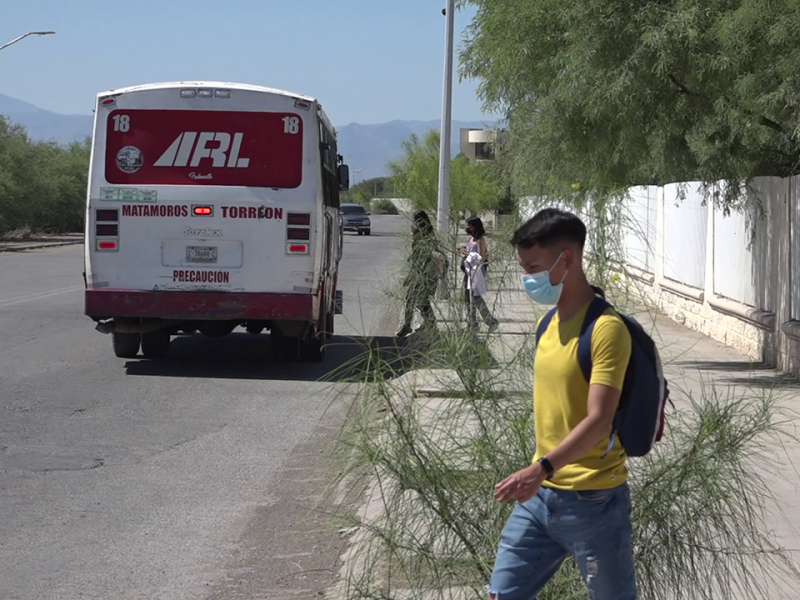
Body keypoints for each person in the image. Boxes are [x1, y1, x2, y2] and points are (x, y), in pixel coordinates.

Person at [487, 208, 636, 600]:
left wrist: (541, 468)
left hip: (594, 504)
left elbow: (600, 420)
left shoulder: (606, 330)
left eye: (533, 266)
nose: (527, 278)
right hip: (539, 499)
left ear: (567, 259)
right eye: (523, 268)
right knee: (501, 594)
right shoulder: (547, 325)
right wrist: (540, 475)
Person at [396, 210, 439, 337]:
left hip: (424, 274)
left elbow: (423, 260)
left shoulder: (426, 237)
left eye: (415, 220)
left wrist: (413, 276)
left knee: (421, 301)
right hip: (420, 274)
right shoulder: (424, 235)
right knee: (413, 299)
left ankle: (429, 325)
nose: (413, 223)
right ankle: (415, 325)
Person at [461, 217, 498, 332]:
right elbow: (469, 250)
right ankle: (472, 323)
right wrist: (463, 250)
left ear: (475, 226)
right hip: (469, 269)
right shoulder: (472, 239)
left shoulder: (480, 240)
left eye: (469, 225)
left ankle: (490, 321)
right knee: (467, 295)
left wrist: (467, 253)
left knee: (475, 295)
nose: (467, 228)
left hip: (477, 270)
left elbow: (480, 257)